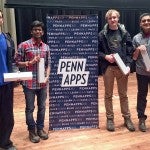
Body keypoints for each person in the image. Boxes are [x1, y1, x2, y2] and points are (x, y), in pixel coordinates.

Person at [98, 9, 135, 132]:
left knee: (123, 95)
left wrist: (129, 65)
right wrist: (105, 57)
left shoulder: (124, 33)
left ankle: (127, 118)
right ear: (107, 20)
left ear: (118, 18)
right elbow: (97, 51)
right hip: (108, 68)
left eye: (114, 17)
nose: (112, 20)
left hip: (122, 68)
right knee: (108, 95)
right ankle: (110, 119)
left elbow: (130, 51)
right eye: (110, 18)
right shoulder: (102, 34)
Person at [16, 20, 50, 143]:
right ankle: (31, 130)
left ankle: (40, 129)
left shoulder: (46, 47)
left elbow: (49, 64)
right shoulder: (23, 45)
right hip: (29, 83)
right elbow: (16, 63)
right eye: (35, 29)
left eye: (40, 29)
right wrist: (29, 63)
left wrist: (47, 76)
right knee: (30, 108)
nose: (37, 31)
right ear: (31, 31)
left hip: (42, 83)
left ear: (43, 32)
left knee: (42, 107)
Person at [0, 10, 17, 150]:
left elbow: (12, 60)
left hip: (6, 83)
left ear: (2, 20)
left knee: (7, 115)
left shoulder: (7, 39)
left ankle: (5, 142)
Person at [132, 13, 150, 132]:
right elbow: (133, 57)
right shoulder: (136, 38)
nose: (147, 22)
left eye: (149, 20)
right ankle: (141, 118)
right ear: (140, 23)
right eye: (144, 21)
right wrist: (138, 49)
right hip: (142, 72)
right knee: (142, 95)